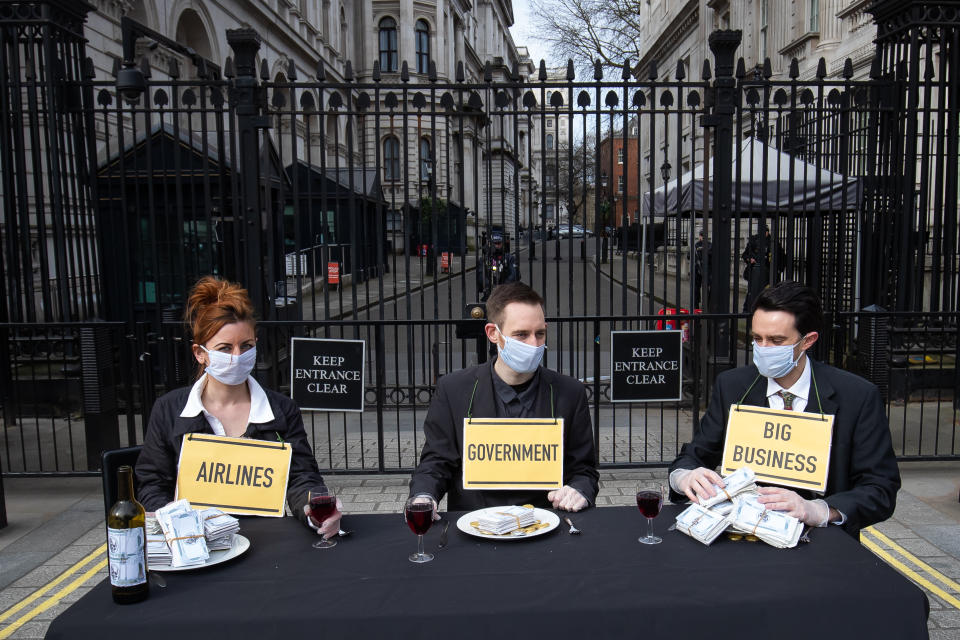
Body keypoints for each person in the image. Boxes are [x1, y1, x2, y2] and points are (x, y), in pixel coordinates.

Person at [669, 281, 900, 536]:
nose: (764, 349)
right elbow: (694, 455)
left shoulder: (857, 396)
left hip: (820, 545)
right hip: (744, 536)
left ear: (807, 341)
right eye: (757, 338)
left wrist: (820, 510)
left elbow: (880, 489)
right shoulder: (733, 386)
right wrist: (684, 477)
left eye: (777, 340)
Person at [135, 276, 342, 540]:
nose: (237, 356)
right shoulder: (168, 410)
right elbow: (152, 483)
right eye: (224, 348)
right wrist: (174, 523)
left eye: (246, 346)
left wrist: (314, 509)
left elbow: (302, 477)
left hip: (266, 542)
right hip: (194, 544)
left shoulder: (282, 409)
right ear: (200, 353)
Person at [409, 282, 599, 512]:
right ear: (493, 333)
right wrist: (424, 496)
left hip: (547, 523)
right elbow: (436, 462)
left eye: (540, 333)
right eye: (521, 335)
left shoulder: (570, 393)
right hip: (474, 524)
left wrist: (579, 490)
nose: (534, 344)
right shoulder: (454, 389)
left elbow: (584, 471)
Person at [741, 222, 786, 312]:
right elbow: (745, 255)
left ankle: (767, 308)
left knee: (769, 291)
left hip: (769, 271)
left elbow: (781, 257)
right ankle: (748, 309)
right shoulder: (754, 240)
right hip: (755, 272)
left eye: (765, 232)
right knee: (752, 291)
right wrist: (750, 259)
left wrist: (778, 269)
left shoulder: (773, 241)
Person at [477, 229, 519, 301]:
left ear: (502, 244)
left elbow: (514, 274)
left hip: (506, 293)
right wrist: (490, 287)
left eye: (499, 243)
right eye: (495, 243)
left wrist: (503, 287)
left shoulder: (509, 258)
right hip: (490, 294)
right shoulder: (484, 259)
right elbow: (481, 276)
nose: (497, 246)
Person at [693, 229, 711, 309]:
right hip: (702, 269)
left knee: (701, 288)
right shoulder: (697, 245)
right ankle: (701, 304)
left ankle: (701, 305)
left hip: (703, 270)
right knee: (700, 289)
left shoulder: (699, 245)